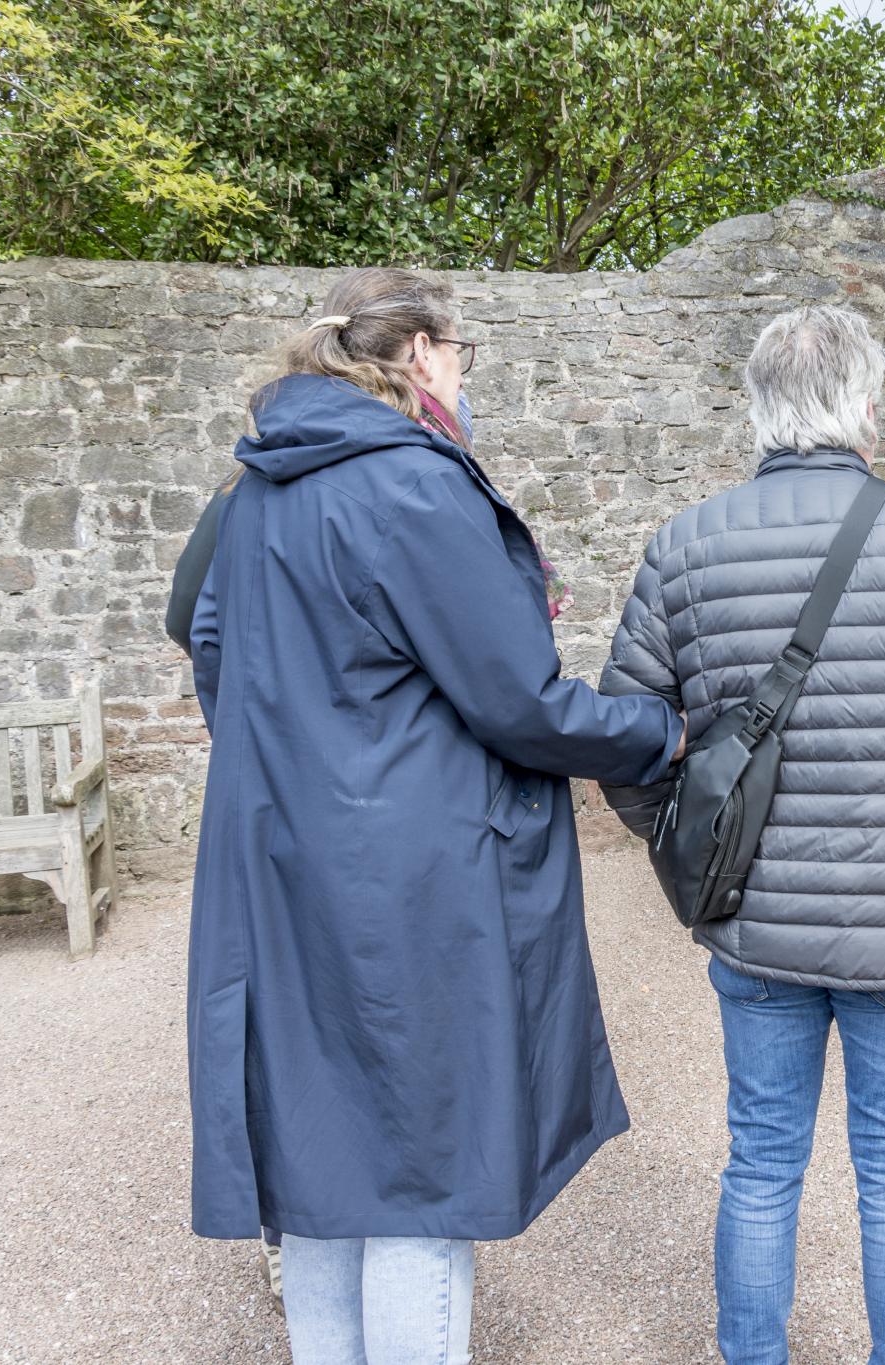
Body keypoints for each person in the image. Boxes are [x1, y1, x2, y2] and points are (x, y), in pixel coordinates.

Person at [185, 266, 684, 1364]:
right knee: (420, 1171)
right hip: (406, 880)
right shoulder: (412, 484)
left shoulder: (257, 486)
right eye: (463, 352)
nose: (465, 373)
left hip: (279, 859)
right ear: (418, 352)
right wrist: (657, 733)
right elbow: (519, 701)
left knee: (321, 1168)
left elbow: (209, 643)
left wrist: (300, 762)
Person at [599, 304, 885, 1365]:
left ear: (758, 412)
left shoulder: (683, 547)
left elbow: (624, 738)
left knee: (760, 1163)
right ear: (863, 406)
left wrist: (683, 856)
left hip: (755, 917)